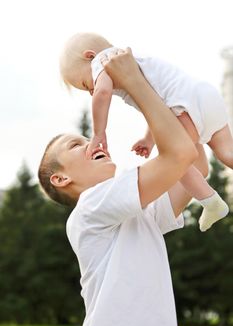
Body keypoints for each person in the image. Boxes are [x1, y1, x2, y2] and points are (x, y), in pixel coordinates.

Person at [39, 48, 203, 326]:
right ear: (61, 178)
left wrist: (163, 95)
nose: (91, 143)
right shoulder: (91, 206)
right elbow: (180, 155)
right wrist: (135, 83)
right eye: (76, 144)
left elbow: (195, 169)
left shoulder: (135, 213)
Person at [59, 32, 231, 232]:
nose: (91, 91)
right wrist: (149, 140)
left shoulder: (104, 61)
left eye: (86, 84)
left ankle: (211, 202)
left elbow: (102, 93)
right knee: (227, 153)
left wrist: (99, 133)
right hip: (205, 96)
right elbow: (158, 107)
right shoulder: (133, 62)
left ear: (90, 56)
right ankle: (211, 201)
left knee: (177, 161)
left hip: (184, 106)